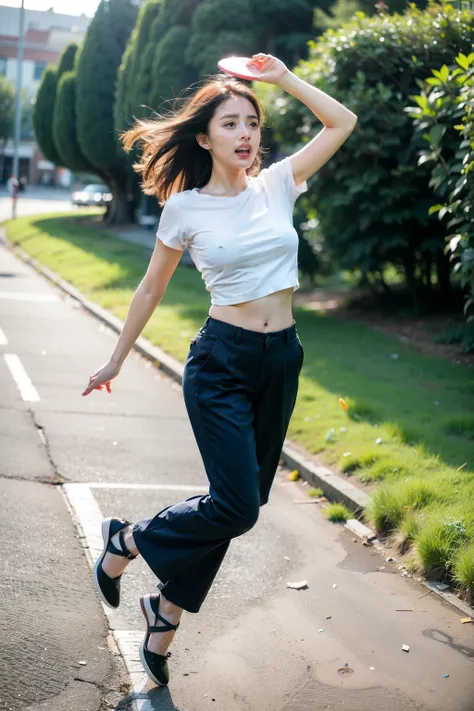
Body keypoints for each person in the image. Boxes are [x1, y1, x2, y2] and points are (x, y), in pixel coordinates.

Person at [82, 52, 357, 687]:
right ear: (204, 136)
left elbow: (341, 124)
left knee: (240, 501)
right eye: (231, 123)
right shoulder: (185, 211)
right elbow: (150, 289)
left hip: (281, 360)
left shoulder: (280, 182)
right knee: (236, 506)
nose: (245, 135)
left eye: (253, 123)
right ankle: (126, 540)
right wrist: (115, 359)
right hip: (221, 363)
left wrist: (284, 80)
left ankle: (165, 611)